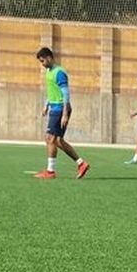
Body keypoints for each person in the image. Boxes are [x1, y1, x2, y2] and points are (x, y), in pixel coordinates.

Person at [34, 47, 89, 180]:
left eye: (43, 61)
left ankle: (50, 172)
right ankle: (81, 163)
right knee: (58, 140)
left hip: (60, 108)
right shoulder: (49, 72)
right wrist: (46, 105)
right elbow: (52, 90)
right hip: (54, 107)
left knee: (50, 138)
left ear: (49, 57)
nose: (42, 64)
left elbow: (65, 93)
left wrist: (65, 112)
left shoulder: (59, 72)